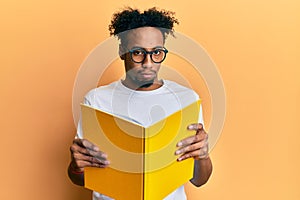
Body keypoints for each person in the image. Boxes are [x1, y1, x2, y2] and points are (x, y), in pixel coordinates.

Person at [68, 7, 213, 200]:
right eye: (138, 52)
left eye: (157, 53)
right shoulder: (96, 101)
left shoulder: (186, 99)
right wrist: (76, 166)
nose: (148, 63)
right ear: (122, 51)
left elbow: (199, 180)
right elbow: (79, 177)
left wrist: (203, 155)